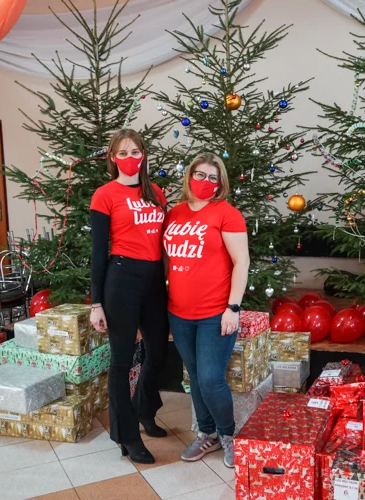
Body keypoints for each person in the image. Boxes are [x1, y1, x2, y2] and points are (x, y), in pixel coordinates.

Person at [163, 152, 250, 468]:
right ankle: (207, 434)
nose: (206, 182)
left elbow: (242, 261)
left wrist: (233, 308)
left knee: (212, 378)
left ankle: (229, 435)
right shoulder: (174, 214)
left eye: (214, 177)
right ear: (189, 176)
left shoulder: (227, 214)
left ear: (221, 183)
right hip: (180, 312)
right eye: (200, 175)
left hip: (216, 313)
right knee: (197, 377)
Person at [89, 129, 170, 464]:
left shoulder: (157, 193)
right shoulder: (104, 195)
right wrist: (96, 303)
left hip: (154, 280)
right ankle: (127, 437)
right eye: (122, 153)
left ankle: (144, 408)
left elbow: (167, 243)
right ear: (112, 158)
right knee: (121, 362)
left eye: (135, 152)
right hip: (121, 278)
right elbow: (97, 252)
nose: (130, 158)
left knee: (159, 351)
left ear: (144, 155)